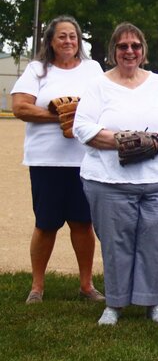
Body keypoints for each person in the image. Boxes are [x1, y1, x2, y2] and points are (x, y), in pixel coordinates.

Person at [74, 22, 158, 326]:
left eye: (135, 46)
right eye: (123, 46)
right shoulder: (99, 85)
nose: (129, 51)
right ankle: (115, 303)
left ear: (143, 50)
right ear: (113, 50)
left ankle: (152, 302)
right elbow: (82, 127)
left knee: (157, 242)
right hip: (109, 180)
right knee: (116, 243)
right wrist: (127, 141)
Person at [11, 15, 105, 304]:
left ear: (79, 41)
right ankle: (37, 286)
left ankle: (86, 285)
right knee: (46, 223)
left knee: (82, 223)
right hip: (46, 160)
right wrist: (58, 115)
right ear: (50, 41)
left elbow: (106, 104)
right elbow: (19, 107)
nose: (68, 41)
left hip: (84, 158)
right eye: (62, 36)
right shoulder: (37, 70)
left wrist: (80, 116)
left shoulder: (92, 69)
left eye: (73, 36)